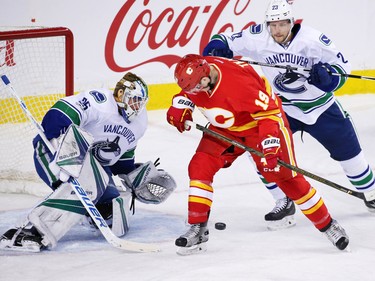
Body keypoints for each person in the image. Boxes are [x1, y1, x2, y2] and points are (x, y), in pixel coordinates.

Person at [202, 0, 375, 227]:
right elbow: (224, 40)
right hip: (280, 109)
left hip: (320, 108)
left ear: (291, 23)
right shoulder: (257, 37)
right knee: (260, 153)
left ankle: (371, 194)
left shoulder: (313, 40)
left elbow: (343, 68)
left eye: (282, 25)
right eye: (272, 25)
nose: (277, 31)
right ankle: (282, 200)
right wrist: (215, 49)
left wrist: (329, 78)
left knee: (352, 158)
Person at [166, 54, 349, 255]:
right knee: (200, 166)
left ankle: (328, 225)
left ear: (206, 78)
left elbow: (268, 114)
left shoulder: (238, 84)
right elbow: (187, 93)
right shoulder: (202, 73)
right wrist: (179, 106)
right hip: (225, 128)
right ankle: (197, 228)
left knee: (288, 179)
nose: (194, 93)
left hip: (260, 126)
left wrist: (270, 145)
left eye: (196, 88)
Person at [0, 72, 176, 252]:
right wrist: (65, 151)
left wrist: (133, 174)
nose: (137, 107)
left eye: (141, 102)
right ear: (121, 94)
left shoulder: (139, 123)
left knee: (111, 206)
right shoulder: (100, 102)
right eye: (134, 100)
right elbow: (58, 114)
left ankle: (85, 210)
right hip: (52, 153)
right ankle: (28, 231)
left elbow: (121, 161)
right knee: (88, 183)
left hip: (90, 168)